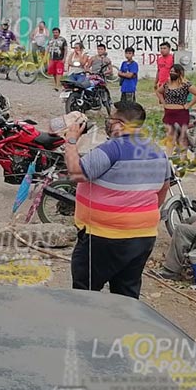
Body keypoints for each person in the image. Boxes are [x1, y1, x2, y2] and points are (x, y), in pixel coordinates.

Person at [62, 101, 170, 298]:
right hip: (143, 237)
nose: (108, 123)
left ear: (120, 124)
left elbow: (77, 172)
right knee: (126, 294)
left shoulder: (113, 148)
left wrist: (71, 140)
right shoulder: (158, 152)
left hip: (104, 237)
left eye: (111, 119)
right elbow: (163, 189)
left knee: (85, 292)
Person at [156, 63, 196, 154]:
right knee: (170, 137)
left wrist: (189, 105)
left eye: (174, 72)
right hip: (169, 113)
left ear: (179, 73)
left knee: (181, 137)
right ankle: (169, 157)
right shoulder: (167, 83)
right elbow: (159, 92)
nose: (172, 73)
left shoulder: (185, 84)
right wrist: (163, 102)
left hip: (180, 113)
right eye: (171, 71)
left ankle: (183, 157)